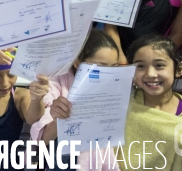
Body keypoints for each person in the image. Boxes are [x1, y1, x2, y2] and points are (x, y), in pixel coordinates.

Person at [31, 30, 120, 170]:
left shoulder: (118, 90)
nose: (107, 74)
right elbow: (42, 137)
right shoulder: (59, 83)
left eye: (114, 67)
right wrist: (58, 118)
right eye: (100, 67)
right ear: (77, 62)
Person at [118, 34, 182, 170]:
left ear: (179, 69)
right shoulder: (119, 104)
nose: (150, 74)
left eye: (159, 65)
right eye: (140, 66)